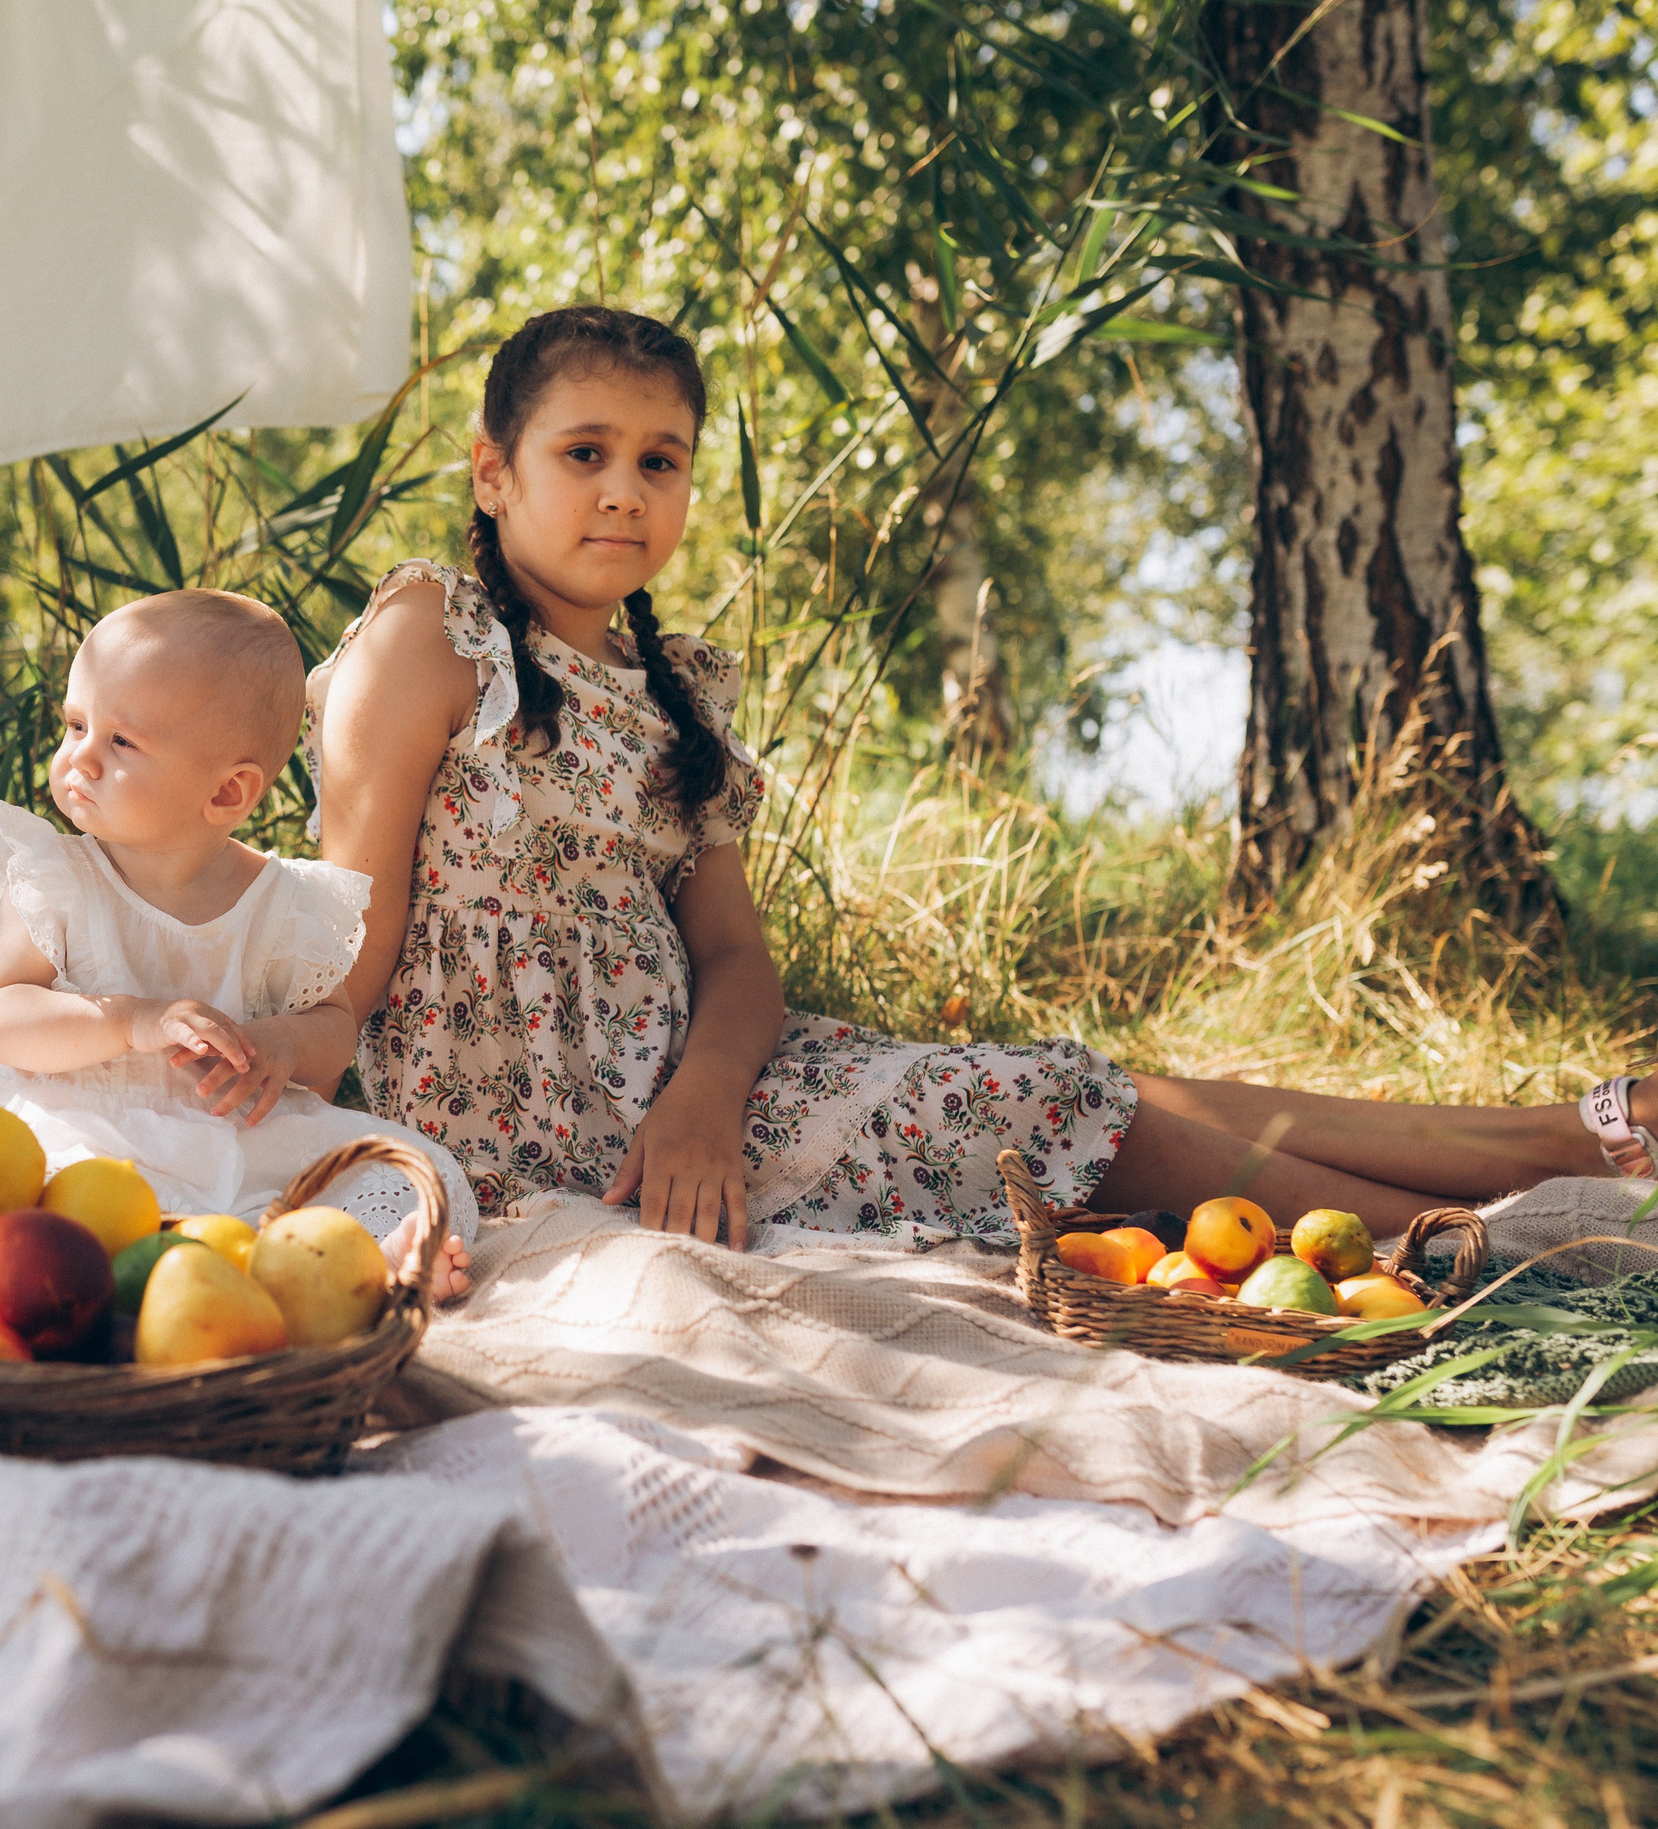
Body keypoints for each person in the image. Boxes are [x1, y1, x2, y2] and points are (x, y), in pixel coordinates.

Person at [307, 303, 1657, 1251]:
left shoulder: (677, 691)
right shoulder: (432, 639)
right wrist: (275, 1072)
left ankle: (1561, 1141)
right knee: (1048, 1102)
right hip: (551, 1141)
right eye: (583, 453)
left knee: (1083, 1084)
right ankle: (1502, 1232)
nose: (624, 491)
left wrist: (705, 1097)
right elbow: (344, 940)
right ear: (493, 472)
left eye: (660, 461)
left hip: (704, 1093)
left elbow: (734, 957)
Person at [0, 587, 476, 1294]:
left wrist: (284, 1043)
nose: (80, 757)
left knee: (412, 1172)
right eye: (76, 724)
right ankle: (223, 1271)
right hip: (84, 1130)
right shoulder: (58, 878)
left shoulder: (282, 903)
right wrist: (130, 1020)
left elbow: (336, 1026)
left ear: (228, 794)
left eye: (120, 741)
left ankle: (356, 1258)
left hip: (234, 1136)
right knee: (25, 1203)